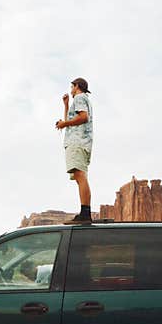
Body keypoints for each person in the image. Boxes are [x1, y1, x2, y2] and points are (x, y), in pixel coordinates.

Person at [55, 77, 93, 223]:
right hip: (78, 141)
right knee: (79, 176)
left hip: (78, 142)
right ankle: (84, 212)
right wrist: (66, 106)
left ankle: (85, 213)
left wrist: (65, 124)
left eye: (72, 87)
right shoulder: (78, 100)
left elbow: (83, 117)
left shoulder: (80, 97)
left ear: (76, 86)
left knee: (80, 175)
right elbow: (70, 122)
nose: (71, 90)